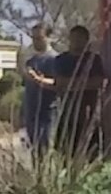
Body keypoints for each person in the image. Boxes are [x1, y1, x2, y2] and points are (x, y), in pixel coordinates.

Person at [30, 25, 105, 157]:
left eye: (80, 39)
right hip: (67, 113)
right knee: (67, 153)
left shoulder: (94, 59)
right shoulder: (61, 60)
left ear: (86, 40)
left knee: (90, 152)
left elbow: (97, 83)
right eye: (74, 38)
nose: (76, 42)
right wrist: (83, 82)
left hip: (89, 112)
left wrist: (71, 83)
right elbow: (60, 83)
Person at [22, 23, 56, 153]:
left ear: (48, 38)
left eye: (39, 38)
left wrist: (38, 79)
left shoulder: (54, 59)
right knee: (35, 152)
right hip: (31, 114)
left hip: (47, 114)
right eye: (33, 38)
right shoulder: (31, 61)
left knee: (46, 150)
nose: (35, 42)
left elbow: (58, 84)